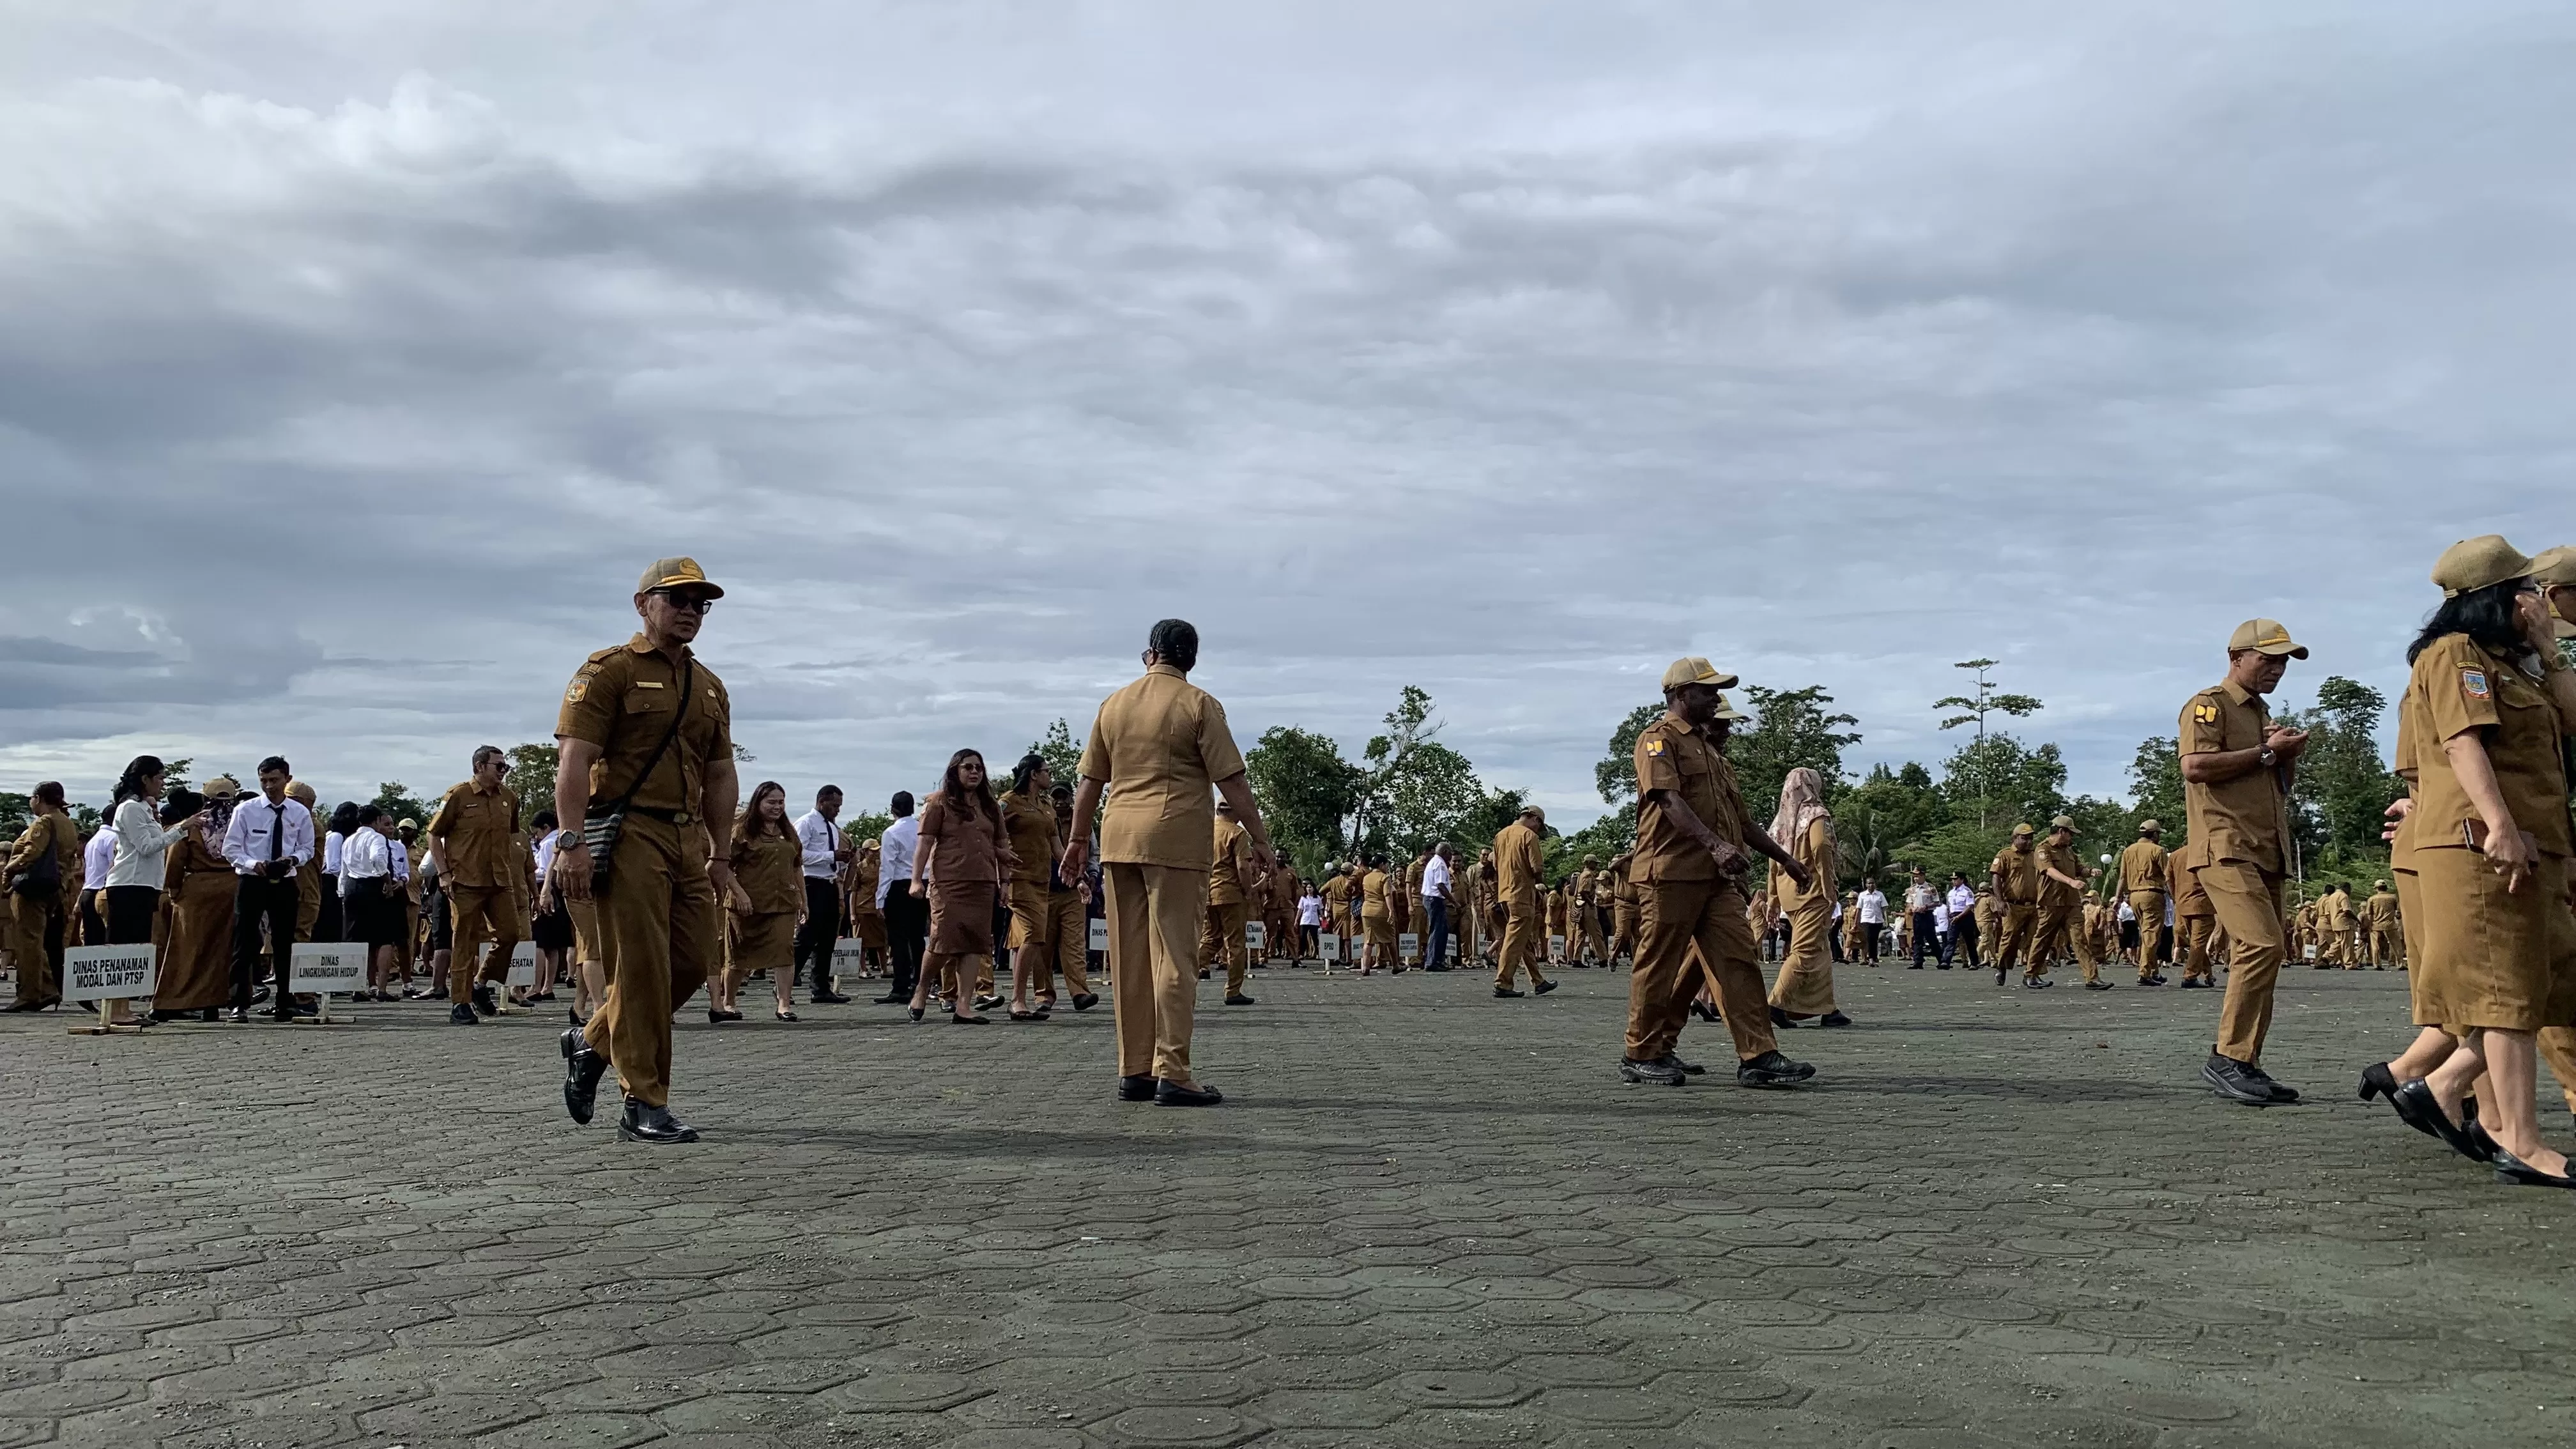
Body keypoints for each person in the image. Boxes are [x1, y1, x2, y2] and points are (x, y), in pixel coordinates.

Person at [2370, 537, 2576, 1184]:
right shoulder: (2454, 654)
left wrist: (2548, 650)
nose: (2535, 601)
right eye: (2525, 590)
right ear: (2496, 597)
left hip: (2535, 844)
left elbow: (2572, 722)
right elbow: (2464, 745)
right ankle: (2522, 1143)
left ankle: (2437, 1084)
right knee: (2505, 994)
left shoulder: (2515, 665)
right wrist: (2502, 827)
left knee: (2542, 984)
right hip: (2481, 843)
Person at [555, 557, 739, 1146]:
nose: (690, 611)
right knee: (641, 968)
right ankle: (644, 1102)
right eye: (677, 599)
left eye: (700, 604)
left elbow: (720, 773)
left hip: (688, 838)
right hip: (629, 831)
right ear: (643, 604)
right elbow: (575, 760)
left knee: (692, 960)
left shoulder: (709, 685)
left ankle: (592, 1041)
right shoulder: (610, 671)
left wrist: (721, 854)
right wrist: (570, 842)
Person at [1060, 618, 1275, 1108]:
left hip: (1118, 840)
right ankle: (1173, 1072)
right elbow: (1231, 780)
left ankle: (1134, 1069)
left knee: (1129, 958)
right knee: (1175, 957)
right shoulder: (1198, 704)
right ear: (1192, 659)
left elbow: (1090, 781)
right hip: (1174, 839)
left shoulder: (1114, 704)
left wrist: (1076, 841)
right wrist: (1260, 838)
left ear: (1150, 653)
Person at [1623, 664, 1814, 1088]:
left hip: (1717, 879)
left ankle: (1758, 1055)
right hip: (1670, 873)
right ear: (1681, 693)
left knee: (1739, 959)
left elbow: (1742, 822)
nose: (1716, 700)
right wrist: (1714, 845)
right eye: (1708, 691)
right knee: (1659, 965)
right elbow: (1667, 799)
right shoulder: (1657, 739)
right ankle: (1641, 1052)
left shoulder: (1709, 753)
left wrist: (1785, 859)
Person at [2177, 618, 2312, 1103]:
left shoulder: (2261, 715)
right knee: (2260, 944)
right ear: (2236, 658)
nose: (2277, 669)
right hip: (2226, 845)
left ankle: (2246, 1062)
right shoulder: (2209, 705)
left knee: (2270, 951)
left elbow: (2279, 786)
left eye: (2283, 662)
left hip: (2265, 850)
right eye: (2268, 660)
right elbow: (2194, 767)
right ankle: (2229, 1058)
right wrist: (2265, 753)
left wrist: (2285, 755)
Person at [908, 751, 1013, 1024]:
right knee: (942, 939)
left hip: (983, 882)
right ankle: (922, 988)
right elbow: (924, 843)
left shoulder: (990, 805)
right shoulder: (939, 802)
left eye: (979, 768)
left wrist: (1005, 882)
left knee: (975, 943)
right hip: (948, 881)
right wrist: (916, 880)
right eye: (968, 767)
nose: (974, 772)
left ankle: (964, 1006)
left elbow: (1002, 845)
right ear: (955, 771)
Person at [428, 745, 525, 1025]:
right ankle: (461, 1003)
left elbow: (512, 836)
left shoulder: (509, 798)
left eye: (506, 767)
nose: (504, 771)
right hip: (465, 881)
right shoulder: (458, 795)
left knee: (510, 934)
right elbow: (434, 835)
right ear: (480, 767)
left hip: (499, 879)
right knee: (464, 942)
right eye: (499, 766)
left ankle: (481, 983)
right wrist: (444, 873)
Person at [222, 757, 316, 1023]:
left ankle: (285, 1002)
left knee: (285, 943)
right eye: (264, 780)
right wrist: (254, 864)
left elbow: (307, 848)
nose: (269, 786)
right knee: (244, 942)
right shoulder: (245, 810)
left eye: (274, 780)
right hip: (252, 880)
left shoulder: (299, 813)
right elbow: (231, 848)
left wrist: (292, 860)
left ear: (287, 779)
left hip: (285, 881)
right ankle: (238, 1003)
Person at [1766, 766, 1848, 1027]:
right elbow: (1821, 846)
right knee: (1805, 950)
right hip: (1812, 891)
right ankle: (1775, 1003)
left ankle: (1828, 1009)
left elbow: (1772, 860)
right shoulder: (1816, 814)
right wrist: (1828, 885)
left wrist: (1772, 897)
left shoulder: (1780, 822)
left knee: (1820, 949)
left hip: (1788, 893)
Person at [719, 781, 803, 1022]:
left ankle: (784, 1005)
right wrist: (740, 894)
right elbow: (724, 867)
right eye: (771, 802)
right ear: (758, 803)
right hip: (746, 905)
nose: (778, 807)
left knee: (785, 952)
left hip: (782, 903)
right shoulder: (741, 831)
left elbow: (797, 867)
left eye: (781, 802)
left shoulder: (789, 832)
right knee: (739, 957)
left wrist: (803, 900)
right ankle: (729, 1002)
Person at [156, 781, 238, 1021]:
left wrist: (173, 891)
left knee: (185, 950)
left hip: (196, 893)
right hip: (232, 892)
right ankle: (212, 1005)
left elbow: (175, 862)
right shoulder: (240, 824)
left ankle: (169, 1003)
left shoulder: (193, 825)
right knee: (220, 951)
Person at [1016, 782, 1096, 1013]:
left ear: (1072, 799)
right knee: (1042, 945)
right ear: (1050, 799)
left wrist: (1092, 874)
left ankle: (1080, 992)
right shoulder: (1042, 820)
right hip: (1044, 890)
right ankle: (1044, 995)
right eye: (1056, 797)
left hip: (1074, 890)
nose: (1060, 802)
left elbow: (1093, 852)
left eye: (1065, 797)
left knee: (1075, 944)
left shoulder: (1083, 822)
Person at [4, 783, 80, 1012]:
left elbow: (32, 852)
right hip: (55, 887)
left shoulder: (44, 822)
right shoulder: (67, 823)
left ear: (38, 798)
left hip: (32, 887)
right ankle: (47, 989)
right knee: (37, 941)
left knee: (27, 941)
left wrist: (9, 869)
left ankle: (29, 994)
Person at [791, 786, 855, 1005]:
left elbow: (831, 858)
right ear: (821, 802)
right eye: (834, 806)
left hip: (829, 883)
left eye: (840, 806)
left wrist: (842, 859)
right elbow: (799, 856)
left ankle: (820, 988)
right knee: (807, 936)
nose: (838, 810)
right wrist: (831, 855)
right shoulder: (806, 823)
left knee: (828, 938)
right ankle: (785, 983)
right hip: (811, 883)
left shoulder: (833, 829)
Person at [339, 804, 409, 997]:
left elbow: (344, 871)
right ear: (377, 820)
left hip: (352, 886)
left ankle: (358, 987)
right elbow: (378, 858)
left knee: (357, 939)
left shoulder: (349, 840)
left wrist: (342, 893)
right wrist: (387, 880)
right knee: (384, 938)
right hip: (372, 885)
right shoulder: (376, 838)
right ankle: (382, 989)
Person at [2030, 816, 2106, 990]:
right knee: (2043, 940)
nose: (2072, 837)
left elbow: (2079, 868)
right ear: (2061, 832)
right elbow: (2049, 870)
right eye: (2070, 833)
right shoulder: (2043, 849)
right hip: (2050, 902)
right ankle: (2031, 974)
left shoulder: (2069, 852)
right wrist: (2071, 882)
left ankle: (2092, 978)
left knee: (2080, 940)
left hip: (2071, 903)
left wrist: (2090, 871)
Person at [1491, 805, 1555, 999]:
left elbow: (1495, 866)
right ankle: (1502, 983)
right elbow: (1537, 869)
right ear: (1535, 819)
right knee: (1513, 941)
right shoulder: (1529, 836)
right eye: (1539, 826)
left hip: (1504, 894)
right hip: (1521, 895)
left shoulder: (1500, 835)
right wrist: (1542, 885)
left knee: (1522, 939)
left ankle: (1538, 981)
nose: (1538, 830)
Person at [1200, 798, 1258, 1002]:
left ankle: (1178, 976)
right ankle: (1233, 991)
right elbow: (1243, 867)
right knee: (1235, 944)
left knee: (1211, 939)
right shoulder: (1237, 833)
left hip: (1208, 893)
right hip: (1231, 894)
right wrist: (1248, 891)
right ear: (1235, 811)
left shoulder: (1205, 831)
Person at [877, 793, 926, 1006]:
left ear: (892, 809)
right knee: (917, 937)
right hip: (922, 882)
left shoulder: (891, 832)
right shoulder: (921, 828)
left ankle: (901, 986)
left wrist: (880, 898)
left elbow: (887, 867)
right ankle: (920, 983)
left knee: (898, 939)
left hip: (899, 885)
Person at [1988, 825, 2043, 987]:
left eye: (2030, 838)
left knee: (2036, 940)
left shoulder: (2035, 856)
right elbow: (1996, 878)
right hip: (2013, 906)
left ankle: (2032, 975)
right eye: (2024, 838)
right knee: (2010, 939)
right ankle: (2001, 967)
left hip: (2034, 906)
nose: (2029, 841)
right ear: (2014, 839)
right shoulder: (2005, 855)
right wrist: (1999, 901)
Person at [2120, 820, 2171, 986]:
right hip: (2152, 894)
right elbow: (2167, 876)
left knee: (2146, 935)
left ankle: (2154, 971)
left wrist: (2118, 898)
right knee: (2152, 936)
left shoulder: (2128, 850)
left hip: (2134, 896)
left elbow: (2122, 877)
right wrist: (2175, 895)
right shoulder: (2158, 850)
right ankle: (2144, 973)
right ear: (2155, 834)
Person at [1358, 852, 1397, 976]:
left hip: (1367, 911)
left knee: (1368, 941)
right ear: (1381, 865)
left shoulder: (1366, 877)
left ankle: (1365, 968)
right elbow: (1387, 895)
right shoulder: (1385, 878)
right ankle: (1396, 965)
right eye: (1386, 865)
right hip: (1381, 911)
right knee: (1390, 939)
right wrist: (1391, 910)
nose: (1387, 868)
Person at [1421, 842, 1455, 971]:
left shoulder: (1435, 862)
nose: (1451, 855)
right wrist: (1453, 901)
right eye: (1450, 852)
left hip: (1432, 899)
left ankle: (1438, 960)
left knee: (1441, 930)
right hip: (1434, 900)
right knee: (1437, 930)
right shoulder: (1440, 864)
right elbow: (1440, 885)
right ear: (1445, 852)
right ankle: (1432, 962)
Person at [1903, 868, 1940, 969]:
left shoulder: (1930, 888)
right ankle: (1918, 961)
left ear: (1923, 875)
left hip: (1927, 914)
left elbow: (1937, 902)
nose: (1915, 878)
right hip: (1917, 915)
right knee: (1917, 939)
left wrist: (1926, 907)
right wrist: (1913, 908)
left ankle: (1942, 960)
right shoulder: (1913, 889)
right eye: (1914, 876)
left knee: (1931, 938)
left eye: (1917, 876)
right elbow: (1909, 901)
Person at [2362, 879, 2403, 970]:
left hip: (2376, 925)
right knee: (2397, 945)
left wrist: (2370, 925)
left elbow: (2369, 914)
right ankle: (2400, 964)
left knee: (2375, 946)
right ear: (2386, 888)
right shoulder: (2393, 897)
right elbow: (2398, 913)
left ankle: (2377, 964)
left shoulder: (2372, 899)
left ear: (2377, 888)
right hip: (2390, 925)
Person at [1943, 871, 1979, 970]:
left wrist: (1959, 917)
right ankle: (1945, 961)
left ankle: (1974, 963)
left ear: (1962, 880)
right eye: (1953, 879)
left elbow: (1970, 906)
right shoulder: (1951, 892)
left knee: (1969, 941)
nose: (1953, 881)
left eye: (1956, 879)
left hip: (1965, 916)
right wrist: (1949, 916)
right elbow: (1949, 906)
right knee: (1951, 940)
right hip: (1953, 917)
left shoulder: (1967, 891)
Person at [1853, 877, 1888, 965]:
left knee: (1874, 939)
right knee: (1869, 938)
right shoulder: (1862, 895)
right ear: (1866, 885)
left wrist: (1886, 920)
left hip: (1877, 920)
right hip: (1866, 919)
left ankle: (1874, 957)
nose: (1871, 885)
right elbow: (1859, 909)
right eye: (1869, 883)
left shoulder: (1880, 894)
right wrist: (1856, 922)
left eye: (1872, 883)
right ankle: (1871, 958)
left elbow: (1884, 908)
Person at [1296, 883, 1323, 960]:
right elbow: (1300, 910)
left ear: (1314, 888)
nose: (1309, 889)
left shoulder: (1318, 898)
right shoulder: (1303, 898)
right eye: (1307, 887)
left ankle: (1318, 953)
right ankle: (1301, 954)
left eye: (1310, 887)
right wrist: (1296, 920)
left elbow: (1320, 909)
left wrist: (1322, 918)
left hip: (1314, 921)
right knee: (1302, 937)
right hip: (1305, 920)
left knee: (1315, 938)